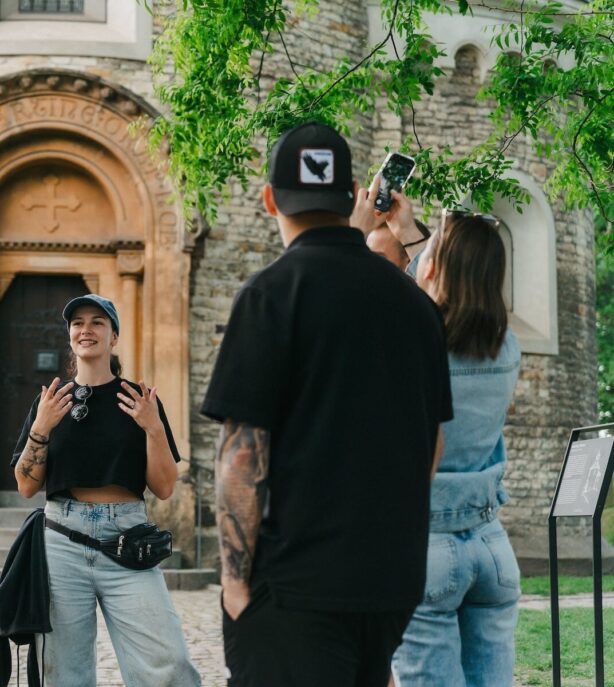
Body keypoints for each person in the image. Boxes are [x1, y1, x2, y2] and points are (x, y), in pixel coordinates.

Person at [202, 122, 452, 687]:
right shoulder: (417, 308)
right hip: (390, 584)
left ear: (270, 199)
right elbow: (432, 444)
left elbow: (242, 455)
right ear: (354, 195)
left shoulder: (269, 294)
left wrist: (235, 585)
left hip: (296, 588)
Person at [11, 293, 201, 687]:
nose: (87, 329)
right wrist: (41, 427)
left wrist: (153, 427)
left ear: (114, 336)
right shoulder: (50, 402)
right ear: (70, 335)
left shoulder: (139, 400)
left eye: (98, 322)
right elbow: (26, 485)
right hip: (62, 542)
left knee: (169, 666)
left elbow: (164, 487)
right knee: (63, 675)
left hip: (128, 540)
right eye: (78, 323)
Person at [383, 197, 522, 687]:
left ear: (435, 267)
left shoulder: (411, 338)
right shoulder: (506, 345)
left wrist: (365, 229)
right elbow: (442, 288)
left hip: (429, 547)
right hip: (491, 544)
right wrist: (410, 231)